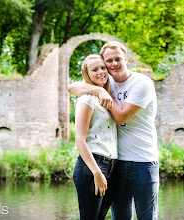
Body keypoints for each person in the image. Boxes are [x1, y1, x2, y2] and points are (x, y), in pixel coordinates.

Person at [68, 41, 159, 220]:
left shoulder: (141, 83)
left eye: (118, 59)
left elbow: (121, 117)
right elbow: (71, 88)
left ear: (125, 59)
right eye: (108, 61)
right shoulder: (104, 84)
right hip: (116, 164)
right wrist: (98, 90)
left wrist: (103, 92)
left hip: (143, 160)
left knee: (147, 217)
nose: (113, 64)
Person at [72, 54, 117, 220]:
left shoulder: (105, 99)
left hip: (110, 165)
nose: (101, 72)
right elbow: (80, 140)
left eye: (103, 68)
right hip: (92, 166)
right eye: (95, 69)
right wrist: (97, 173)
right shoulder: (87, 100)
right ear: (87, 75)